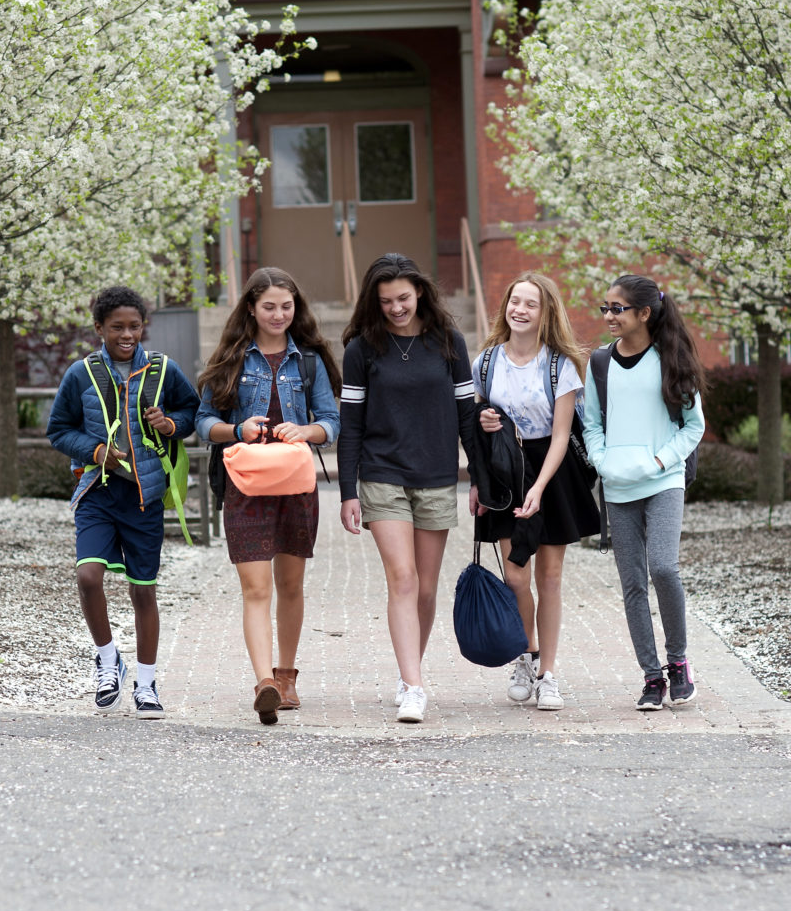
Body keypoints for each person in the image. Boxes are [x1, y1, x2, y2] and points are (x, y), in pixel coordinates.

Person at [337, 253, 483, 724]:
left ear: (419, 292)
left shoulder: (449, 342)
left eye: (403, 298)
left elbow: (466, 417)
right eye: (385, 301)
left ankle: (408, 673)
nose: (396, 307)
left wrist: (477, 476)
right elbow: (350, 425)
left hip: (437, 476)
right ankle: (414, 686)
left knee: (424, 588)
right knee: (401, 578)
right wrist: (347, 491)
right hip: (382, 475)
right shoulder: (362, 349)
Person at [196, 267, 342, 725]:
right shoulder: (233, 359)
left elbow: (332, 422)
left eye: (287, 306)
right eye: (269, 307)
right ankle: (265, 683)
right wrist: (237, 429)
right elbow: (204, 421)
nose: (279, 314)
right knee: (255, 588)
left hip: (295, 487)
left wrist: (306, 429)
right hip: (246, 487)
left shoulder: (310, 360)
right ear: (251, 309)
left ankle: (287, 675)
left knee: (290, 585)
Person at [46, 285, 199, 719]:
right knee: (89, 576)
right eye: (117, 327)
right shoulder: (81, 374)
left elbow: (191, 411)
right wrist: (95, 452)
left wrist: (169, 423)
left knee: (143, 590)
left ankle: (146, 684)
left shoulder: (163, 370)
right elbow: (58, 430)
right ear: (99, 328)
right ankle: (108, 658)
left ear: (143, 327)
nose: (127, 334)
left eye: (134, 326)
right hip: (98, 492)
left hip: (145, 497)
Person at [469, 272, 600, 711]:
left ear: (546, 314)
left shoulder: (560, 365)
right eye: (514, 301)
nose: (519, 310)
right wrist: (485, 424)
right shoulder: (485, 362)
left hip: (550, 472)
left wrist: (541, 487)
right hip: (505, 473)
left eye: (531, 304)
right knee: (517, 576)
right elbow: (477, 422)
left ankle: (548, 674)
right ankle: (525, 657)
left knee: (550, 577)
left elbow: (563, 435)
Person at [581, 274, 706, 711]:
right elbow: (591, 424)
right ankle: (652, 677)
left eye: (617, 308)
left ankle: (678, 664)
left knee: (664, 568)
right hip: (617, 487)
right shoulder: (599, 362)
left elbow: (693, 426)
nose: (609, 316)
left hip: (662, 481)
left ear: (644, 313)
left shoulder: (671, 358)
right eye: (606, 308)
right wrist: (602, 460)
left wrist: (658, 462)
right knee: (632, 583)